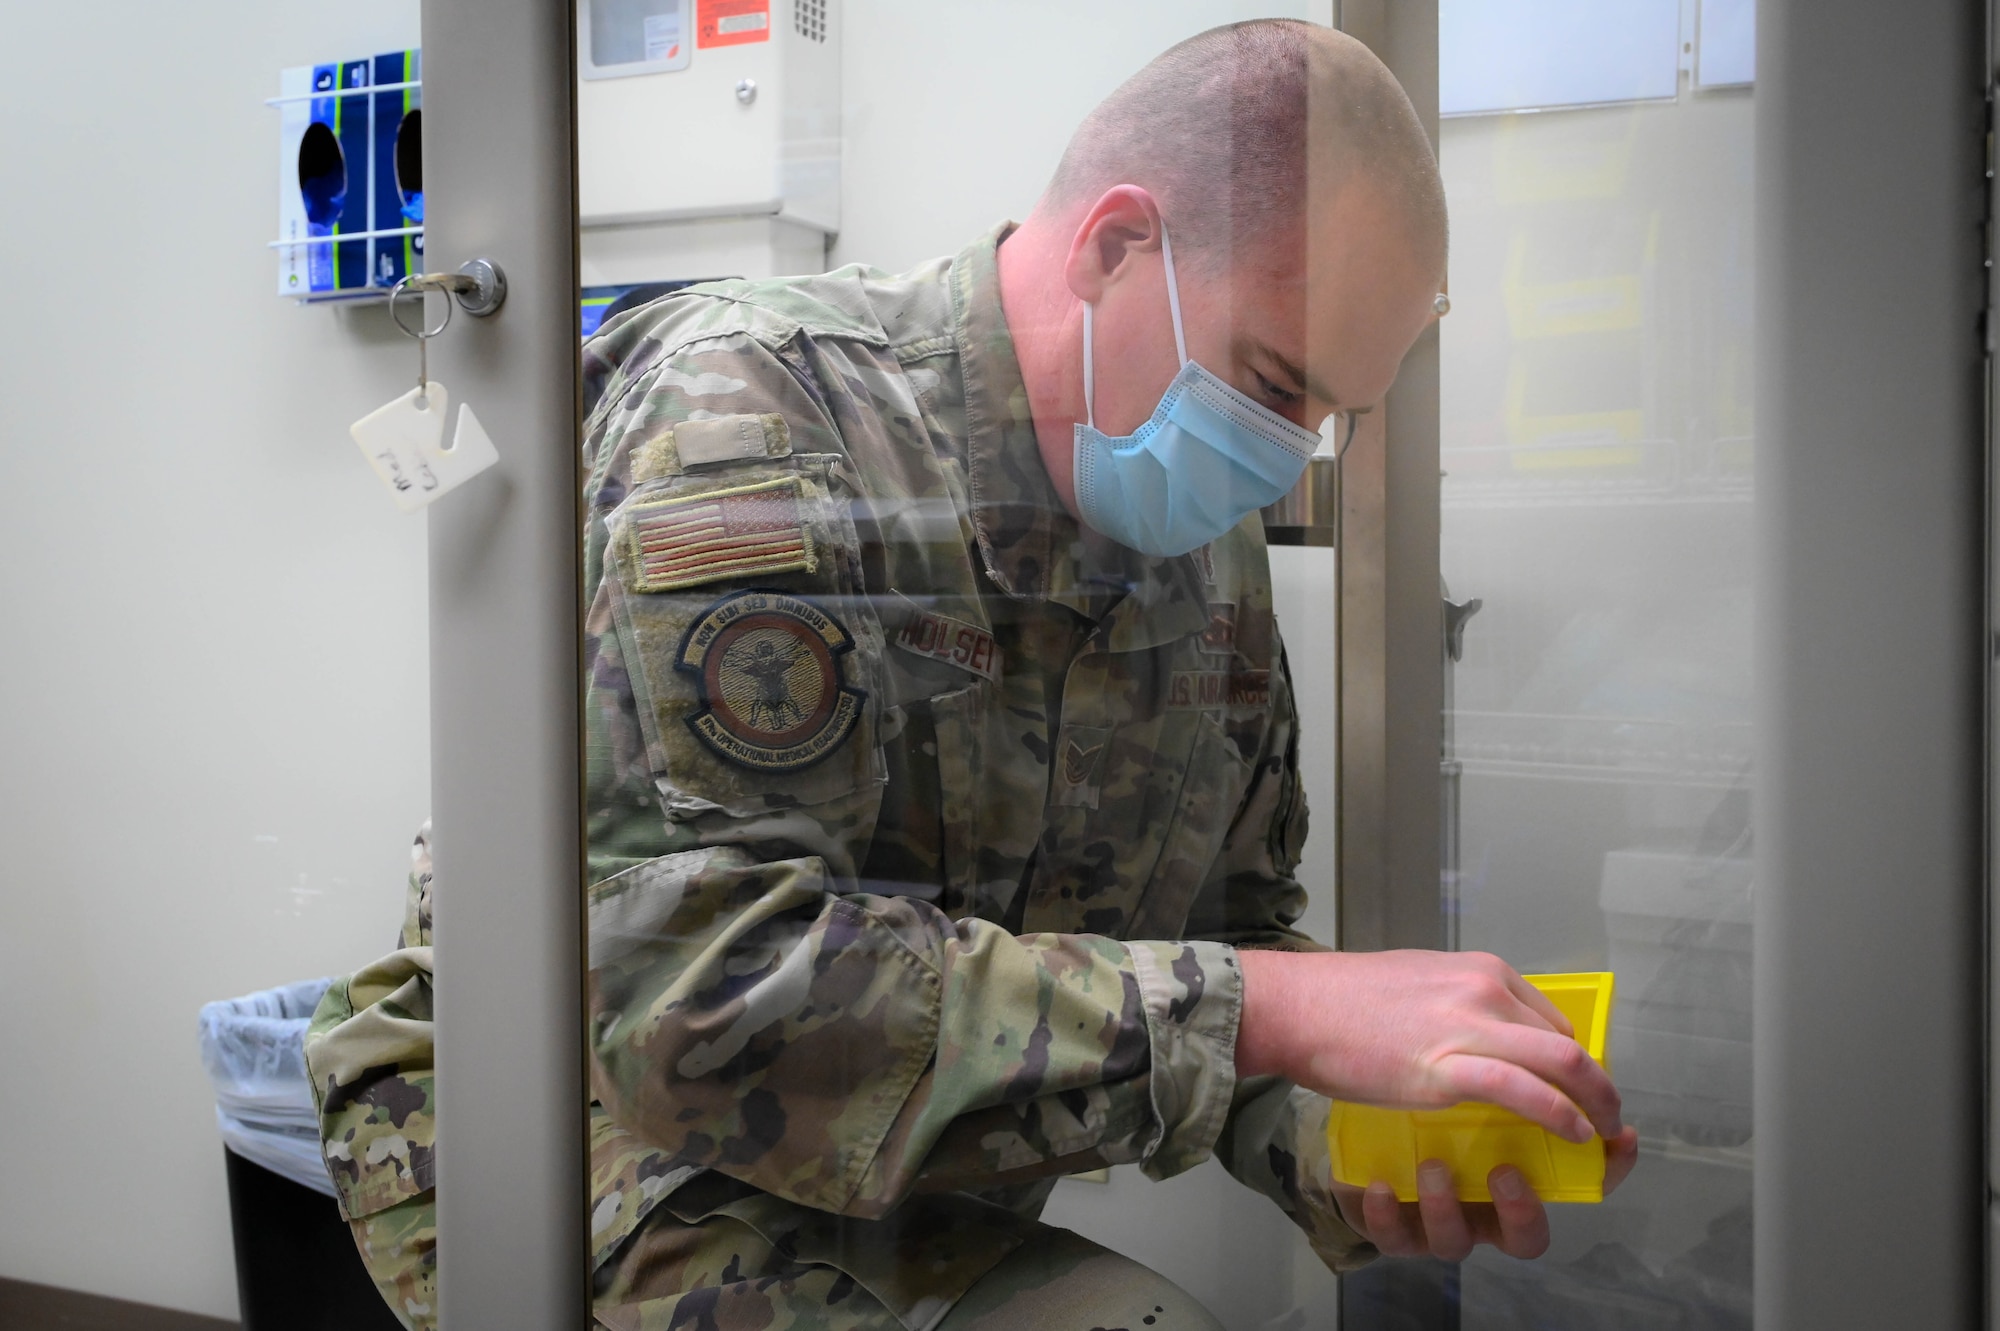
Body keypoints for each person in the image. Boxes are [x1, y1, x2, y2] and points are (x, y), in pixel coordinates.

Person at [306, 20, 1639, 1330]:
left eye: (1328, 412)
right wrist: (1286, 1013)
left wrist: (1344, 1138)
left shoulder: (1198, 535)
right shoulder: (758, 424)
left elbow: (1228, 936)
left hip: (881, 1170)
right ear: (1119, 248)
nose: (1291, 455)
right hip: (572, 1140)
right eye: (1274, 382)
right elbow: (701, 994)